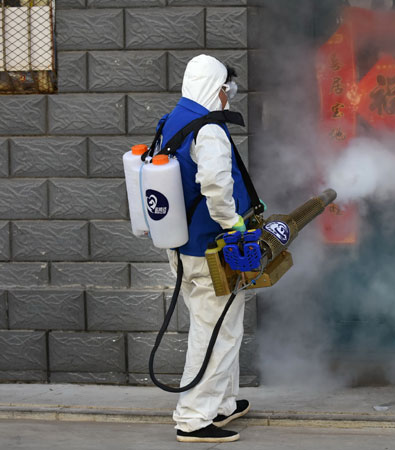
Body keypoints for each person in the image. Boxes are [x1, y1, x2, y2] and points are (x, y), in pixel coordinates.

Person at [161, 54, 253, 443]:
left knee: (222, 325)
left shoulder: (173, 120)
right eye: (228, 88)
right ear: (217, 88)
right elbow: (215, 183)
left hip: (183, 246)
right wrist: (232, 223)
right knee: (215, 331)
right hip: (209, 247)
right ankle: (194, 417)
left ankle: (222, 403)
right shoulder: (208, 129)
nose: (230, 95)